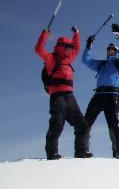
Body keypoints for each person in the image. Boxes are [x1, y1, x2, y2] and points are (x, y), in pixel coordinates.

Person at [78, 23, 119, 160]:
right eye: (109, 49)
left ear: (117, 52)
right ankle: (81, 149)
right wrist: (88, 46)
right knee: (86, 122)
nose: (110, 51)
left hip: (112, 95)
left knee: (113, 124)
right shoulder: (102, 65)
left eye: (113, 50)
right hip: (98, 95)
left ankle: (117, 152)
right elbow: (85, 60)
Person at [34, 25, 90, 160]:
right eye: (68, 47)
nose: (71, 50)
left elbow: (77, 47)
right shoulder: (51, 59)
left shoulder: (69, 59)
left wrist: (76, 33)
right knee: (57, 123)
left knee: (82, 125)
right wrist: (45, 34)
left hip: (70, 96)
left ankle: (80, 152)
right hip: (57, 96)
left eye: (70, 47)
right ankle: (52, 153)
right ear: (61, 46)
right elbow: (38, 49)